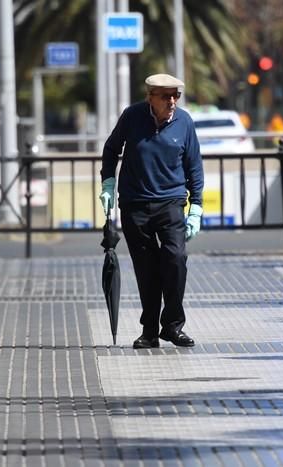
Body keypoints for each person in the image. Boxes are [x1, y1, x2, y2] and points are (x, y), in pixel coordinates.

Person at [99, 73, 204, 349]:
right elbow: (111, 150)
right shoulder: (132, 117)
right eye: (165, 96)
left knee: (176, 259)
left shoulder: (184, 122)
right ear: (150, 97)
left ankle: (172, 325)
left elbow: (194, 167)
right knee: (146, 270)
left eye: (175, 96)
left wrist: (197, 208)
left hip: (171, 202)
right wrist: (108, 183)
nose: (172, 101)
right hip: (135, 204)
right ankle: (149, 331)